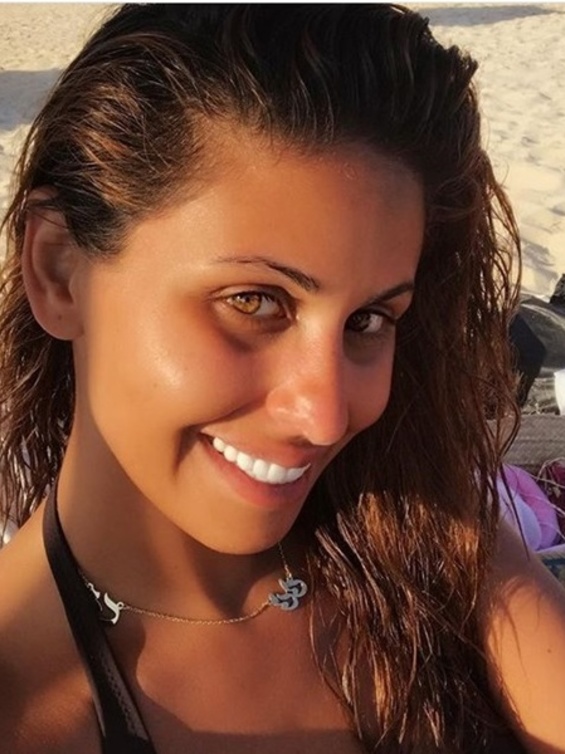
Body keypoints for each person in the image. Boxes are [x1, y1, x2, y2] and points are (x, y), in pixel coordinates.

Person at [0, 4, 564, 753]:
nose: (325, 414)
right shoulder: (27, 704)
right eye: (254, 302)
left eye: (368, 319)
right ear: (57, 271)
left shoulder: (419, 538)